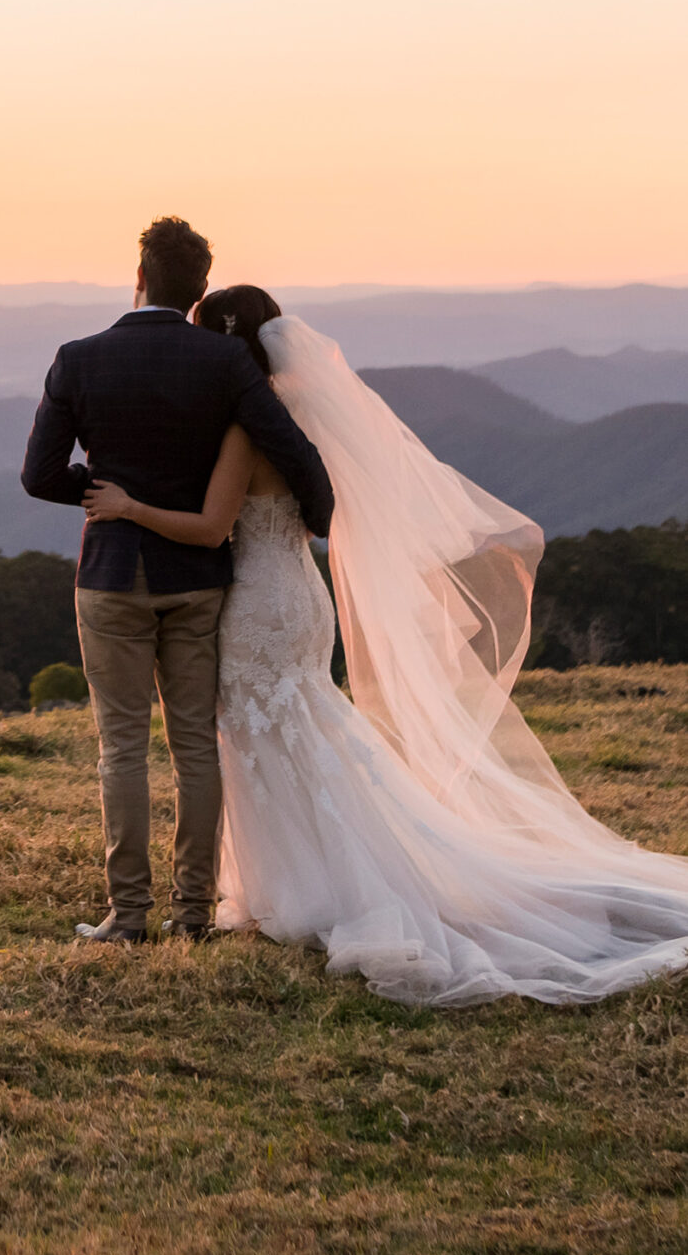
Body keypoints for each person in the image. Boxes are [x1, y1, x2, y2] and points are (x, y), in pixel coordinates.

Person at [81, 286, 688, 1005]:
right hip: (300, 593)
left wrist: (126, 506)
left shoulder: (245, 427)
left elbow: (215, 527)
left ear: (223, 344)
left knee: (253, 736)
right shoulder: (298, 417)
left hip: (256, 604)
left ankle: (302, 890)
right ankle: (282, 881)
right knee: (300, 730)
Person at [20, 217, 333, 943]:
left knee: (122, 747)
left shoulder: (77, 357)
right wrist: (316, 514)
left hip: (110, 576)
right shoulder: (223, 364)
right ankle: (192, 913)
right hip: (197, 578)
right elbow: (291, 449)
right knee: (194, 744)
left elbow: (37, 476)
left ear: (139, 279)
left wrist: (101, 491)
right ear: (197, 290)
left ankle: (127, 916)